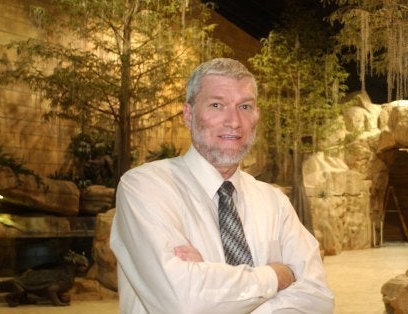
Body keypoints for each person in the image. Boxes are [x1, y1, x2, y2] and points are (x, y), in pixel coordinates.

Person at [110, 58, 334, 314]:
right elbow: (183, 302)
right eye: (217, 105)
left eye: (245, 106)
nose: (234, 121)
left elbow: (318, 298)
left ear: (256, 116)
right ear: (188, 114)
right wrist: (276, 276)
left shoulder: (274, 202)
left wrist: (214, 284)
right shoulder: (145, 188)